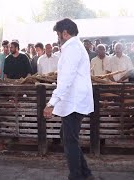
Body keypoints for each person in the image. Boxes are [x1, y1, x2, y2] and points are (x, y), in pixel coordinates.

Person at [43, 18, 94, 180]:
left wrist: (51, 103)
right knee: (67, 137)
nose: (57, 38)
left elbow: (66, 80)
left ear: (65, 33)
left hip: (73, 103)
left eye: (58, 34)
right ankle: (86, 174)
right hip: (74, 101)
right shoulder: (74, 47)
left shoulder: (72, 49)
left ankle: (76, 176)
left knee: (70, 141)